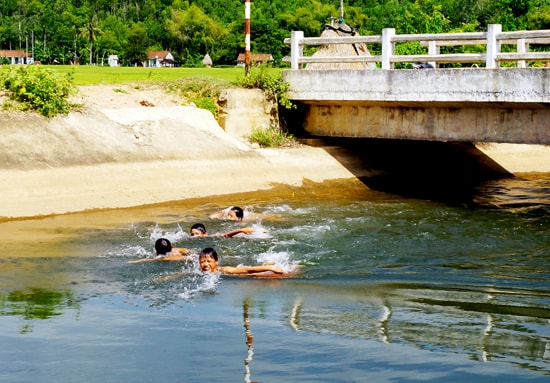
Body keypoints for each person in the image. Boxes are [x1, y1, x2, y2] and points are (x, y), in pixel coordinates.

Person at [199, 247, 287, 276]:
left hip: (253, 274)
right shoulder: (199, 272)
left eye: (209, 261)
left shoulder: (224, 270)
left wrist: (270, 268)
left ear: (216, 262)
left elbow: (247, 270)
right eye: (202, 262)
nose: (205, 264)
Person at [190, 223, 265, 238]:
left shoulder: (210, 237)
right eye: (192, 235)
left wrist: (241, 230)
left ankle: (258, 230)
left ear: (205, 234)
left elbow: (225, 235)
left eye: (197, 234)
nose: (194, 237)